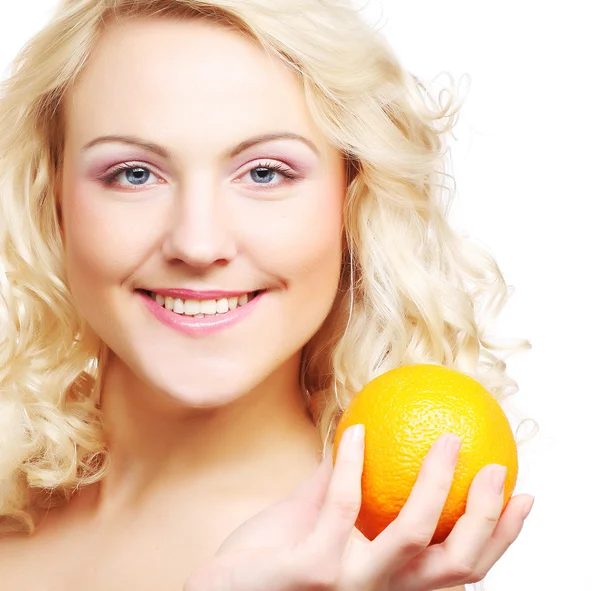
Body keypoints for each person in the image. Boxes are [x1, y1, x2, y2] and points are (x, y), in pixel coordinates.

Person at [0, 0, 534, 589]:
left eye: (264, 173)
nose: (197, 244)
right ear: (52, 200)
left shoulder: (367, 565)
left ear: (352, 200)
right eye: (134, 173)